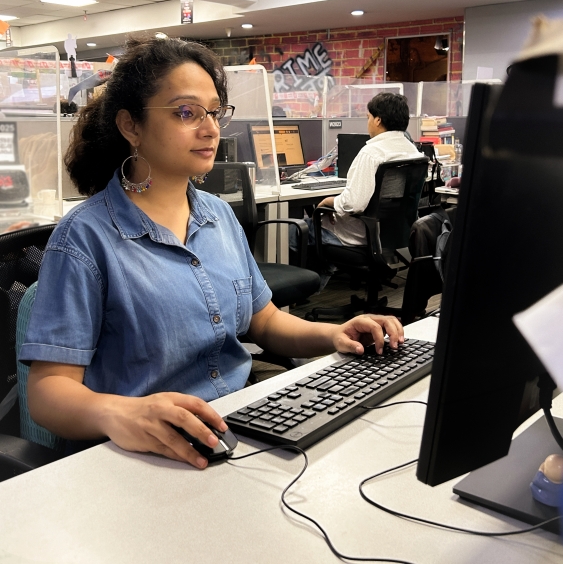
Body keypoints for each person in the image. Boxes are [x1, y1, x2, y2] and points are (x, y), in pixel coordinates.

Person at [20, 36, 404, 470]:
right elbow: (48, 393)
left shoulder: (218, 215)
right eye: (186, 113)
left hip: (235, 428)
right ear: (131, 126)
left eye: (214, 113)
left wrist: (334, 333)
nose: (210, 129)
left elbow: (264, 320)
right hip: (144, 454)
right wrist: (121, 412)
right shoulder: (85, 237)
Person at [317, 92, 422, 247]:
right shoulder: (413, 151)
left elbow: (355, 204)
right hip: (394, 234)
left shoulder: (372, 153)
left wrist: (328, 201)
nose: (368, 122)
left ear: (378, 120)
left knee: (296, 231)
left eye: (369, 117)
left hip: (358, 237)